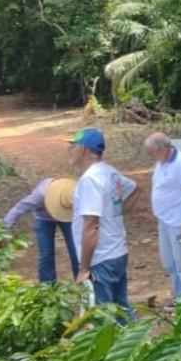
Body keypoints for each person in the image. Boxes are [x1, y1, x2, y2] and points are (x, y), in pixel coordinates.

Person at [64, 127, 138, 317]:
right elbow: (134, 188)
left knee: (103, 317)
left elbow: (91, 226)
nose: (69, 152)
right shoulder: (109, 172)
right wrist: (116, 213)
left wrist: (84, 269)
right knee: (121, 309)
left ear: (82, 149)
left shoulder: (90, 180)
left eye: (72, 147)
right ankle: (138, 345)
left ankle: (119, 346)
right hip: (118, 251)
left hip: (101, 258)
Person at [144, 132, 181, 300]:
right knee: (170, 262)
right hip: (165, 219)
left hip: (179, 220)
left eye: (151, 153)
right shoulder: (162, 162)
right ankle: (179, 296)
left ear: (163, 149)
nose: (150, 156)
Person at [2, 177, 79, 282]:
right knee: (46, 255)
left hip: (67, 217)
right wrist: (4, 229)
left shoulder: (73, 192)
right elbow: (19, 208)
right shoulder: (39, 195)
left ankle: (83, 287)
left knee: (76, 252)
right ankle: (47, 290)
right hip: (44, 218)